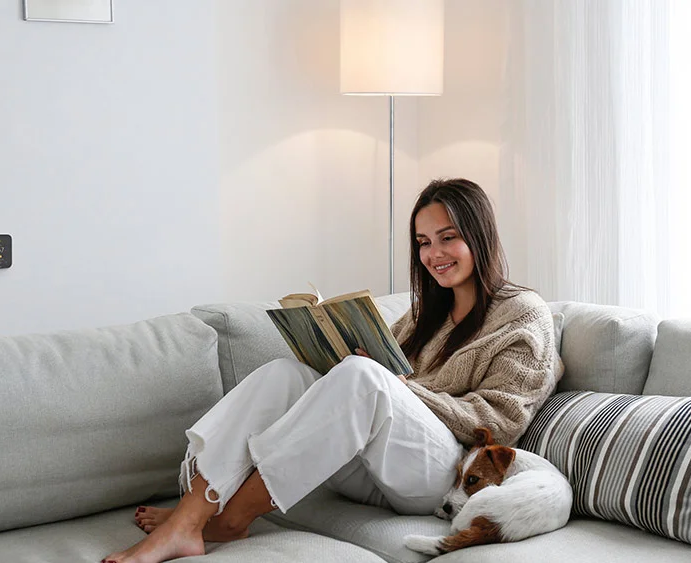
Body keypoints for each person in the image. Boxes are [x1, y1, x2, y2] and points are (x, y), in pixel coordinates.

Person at [103, 178, 565, 563]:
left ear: (479, 236)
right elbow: (379, 383)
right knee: (284, 374)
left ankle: (226, 521)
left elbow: (501, 422)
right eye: (424, 242)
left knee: (363, 379)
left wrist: (394, 385)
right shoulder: (425, 313)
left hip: (444, 474)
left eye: (448, 237)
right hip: (379, 464)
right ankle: (192, 515)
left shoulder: (522, 315)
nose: (433, 254)